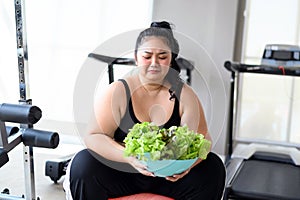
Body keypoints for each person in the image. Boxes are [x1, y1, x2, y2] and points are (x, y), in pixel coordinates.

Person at [63, 21, 226, 200]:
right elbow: (94, 136)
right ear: (136, 57)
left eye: (162, 56)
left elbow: (203, 140)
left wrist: (187, 166)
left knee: (213, 167)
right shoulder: (118, 91)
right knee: (84, 163)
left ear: (171, 58)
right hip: (123, 172)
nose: (154, 63)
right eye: (147, 56)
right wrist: (129, 157)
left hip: (169, 178)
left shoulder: (185, 95)